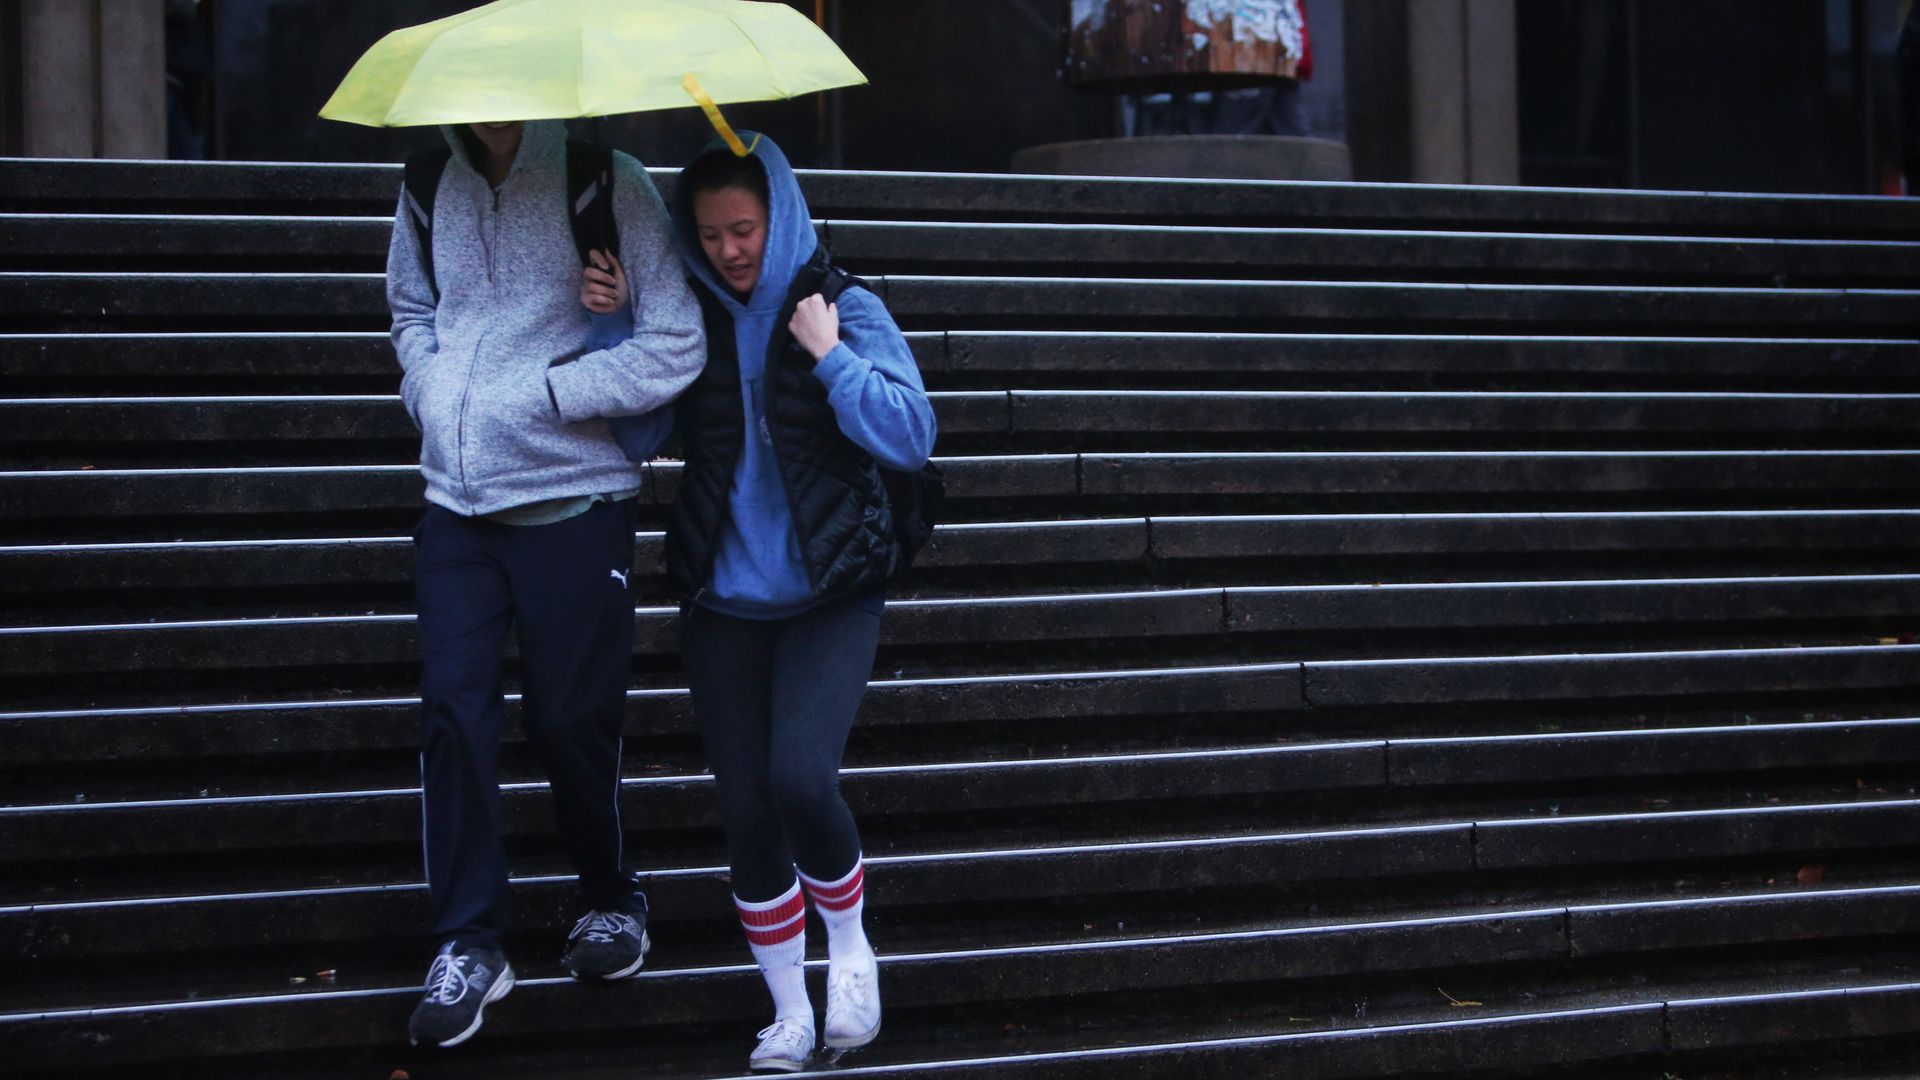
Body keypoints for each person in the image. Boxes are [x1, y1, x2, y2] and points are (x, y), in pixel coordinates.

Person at [585, 132, 934, 1073]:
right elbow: (640, 435)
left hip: (832, 590)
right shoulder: (688, 316)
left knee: (801, 780)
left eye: (742, 229)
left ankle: (850, 951)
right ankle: (787, 1011)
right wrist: (614, 330)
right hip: (723, 599)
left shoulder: (842, 304)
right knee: (746, 812)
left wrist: (830, 355)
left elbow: (911, 433)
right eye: (709, 235)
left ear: (778, 218)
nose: (729, 249)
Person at [386, 118, 705, 1049]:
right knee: (453, 713)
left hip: (575, 499)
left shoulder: (607, 180)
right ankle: (468, 943)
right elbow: (410, 312)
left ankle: (610, 899)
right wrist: (432, 391)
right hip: (456, 508)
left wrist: (557, 394)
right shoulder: (425, 183)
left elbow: (676, 342)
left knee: (571, 719)